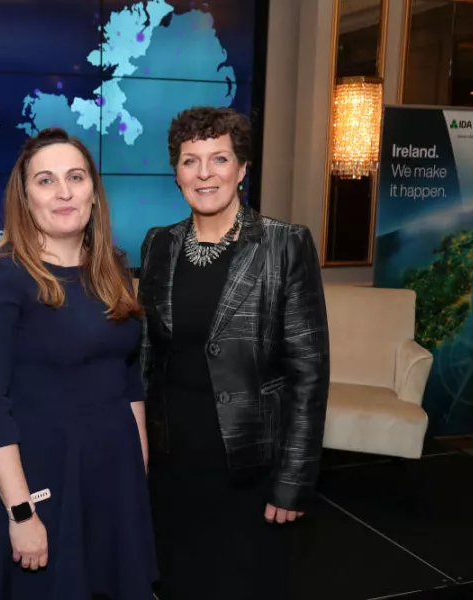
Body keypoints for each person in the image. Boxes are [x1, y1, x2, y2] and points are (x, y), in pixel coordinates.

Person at [0, 128, 156, 599]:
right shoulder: (1, 279)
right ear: (25, 196)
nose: (64, 192)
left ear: (94, 192)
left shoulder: (112, 268)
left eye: (75, 177)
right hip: (37, 484)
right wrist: (21, 513)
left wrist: (136, 472)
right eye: (46, 180)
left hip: (108, 477)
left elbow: (129, 378)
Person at [139, 107, 330, 599]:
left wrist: (293, 478)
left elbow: (309, 374)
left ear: (242, 169)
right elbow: (145, 358)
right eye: (190, 161)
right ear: (176, 172)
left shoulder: (285, 244)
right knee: (178, 581)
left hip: (249, 466)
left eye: (218, 159)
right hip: (171, 463)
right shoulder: (158, 244)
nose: (204, 173)